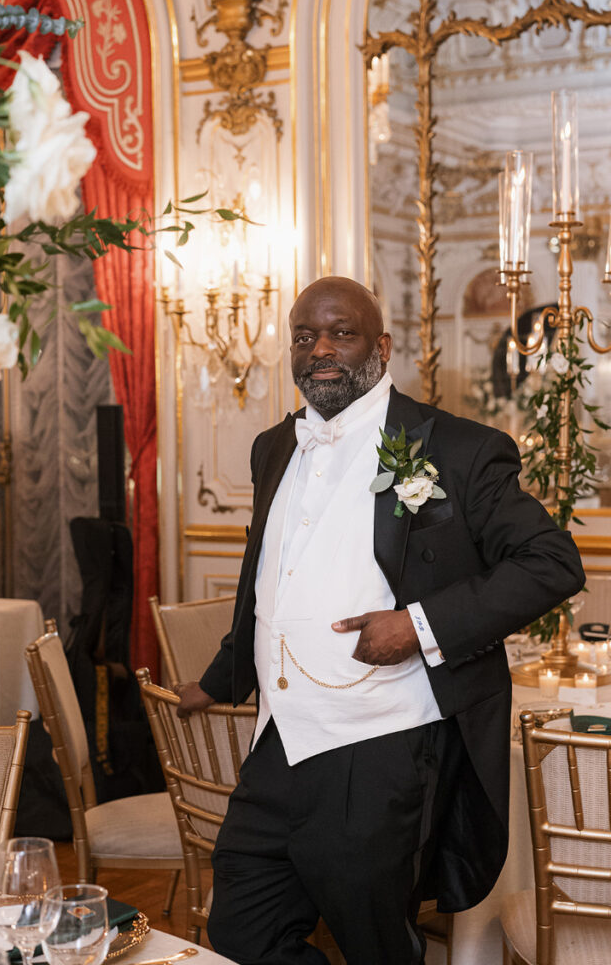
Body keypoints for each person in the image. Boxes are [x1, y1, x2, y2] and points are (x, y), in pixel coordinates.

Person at [176, 276, 585, 965]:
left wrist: (418, 625)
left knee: (373, 941)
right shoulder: (275, 446)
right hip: (282, 737)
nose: (320, 350)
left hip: (383, 742)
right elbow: (265, 574)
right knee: (241, 923)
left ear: (382, 346)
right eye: (304, 337)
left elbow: (551, 563)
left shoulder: (457, 449)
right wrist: (221, 678)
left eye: (341, 332)